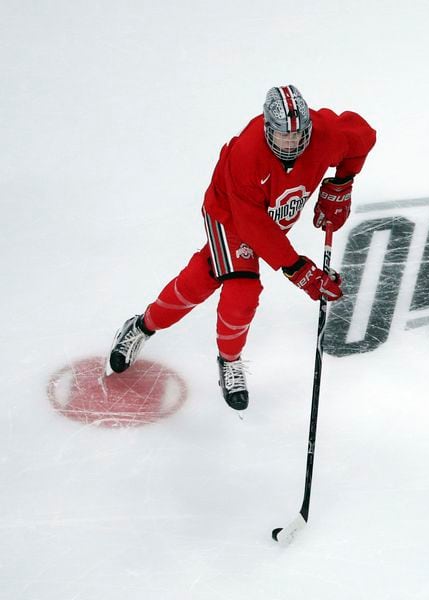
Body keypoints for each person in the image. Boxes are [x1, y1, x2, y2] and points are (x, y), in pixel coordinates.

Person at [105, 85, 376, 411]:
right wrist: (298, 269)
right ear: (267, 129)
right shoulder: (247, 156)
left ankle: (141, 326)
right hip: (229, 216)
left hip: (268, 221)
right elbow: (252, 225)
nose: (292, 144)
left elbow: (363, 136)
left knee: (203, 278)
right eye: (282, 137)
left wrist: (342, 183)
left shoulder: (326, 135)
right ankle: (229, 361)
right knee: (242, 288)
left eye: (299, 135)